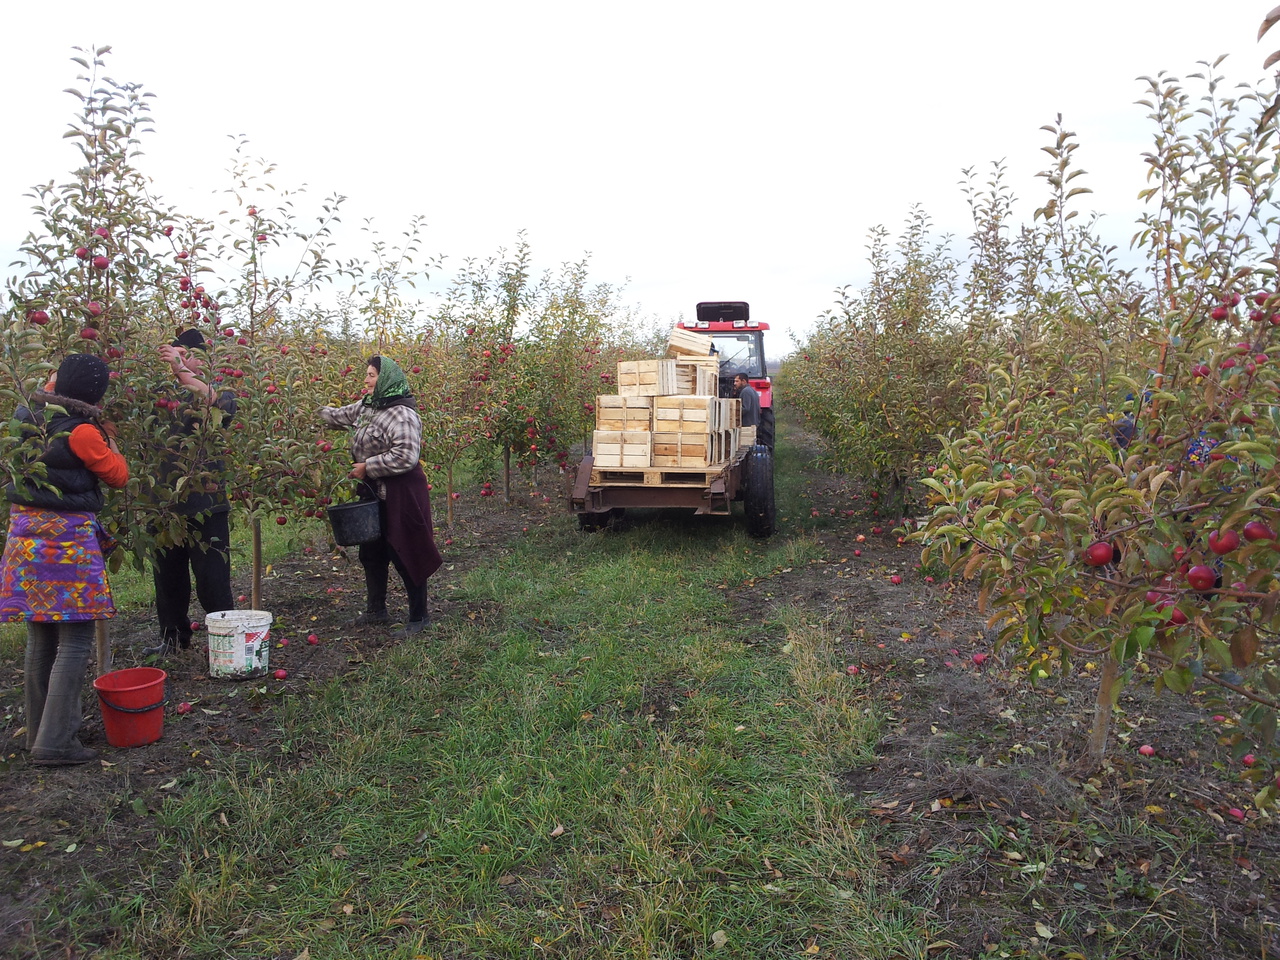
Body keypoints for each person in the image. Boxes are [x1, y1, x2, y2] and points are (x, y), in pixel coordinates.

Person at [0, 354, 129, 765]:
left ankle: (37, 733)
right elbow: (119, 475)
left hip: (24, 536)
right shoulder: (83, 433)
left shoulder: (23, 420)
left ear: (56, 385)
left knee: (41, 635)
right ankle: (57, 743)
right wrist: (110, 436)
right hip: (66, 542)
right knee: (75, 639)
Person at [319, 355, 442, 637]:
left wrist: (368, 466)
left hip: (402, 493)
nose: (366, 380)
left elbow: (407, 456)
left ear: (386, 379)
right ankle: (376, 610)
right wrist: (307, 410)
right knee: (371, 551)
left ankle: (419, 616)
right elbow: (339, 416)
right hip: (372, 490)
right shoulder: (367, 407)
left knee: (406, 549)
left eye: (372, 375)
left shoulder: (402, 414)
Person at [143, 329, 238, 656]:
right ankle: (173, 638)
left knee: (213, 580)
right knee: (167, 583)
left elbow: (215, 402)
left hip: (206, 505)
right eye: (178, 353)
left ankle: (226, 642)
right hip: (162, 507)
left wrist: (181, 369)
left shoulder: (220, 393)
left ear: (202, 358)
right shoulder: (158, 395)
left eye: (189, 355)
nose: (182, 360)